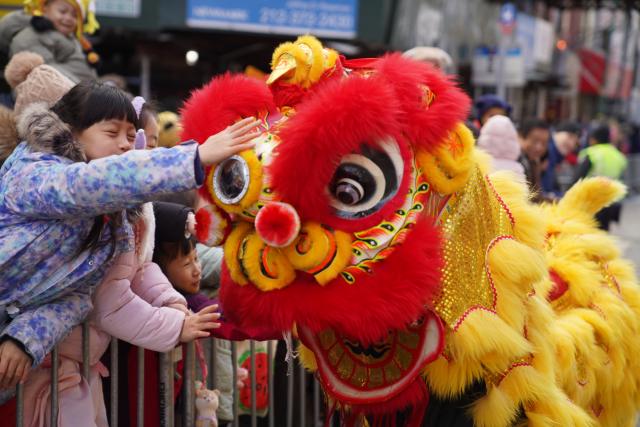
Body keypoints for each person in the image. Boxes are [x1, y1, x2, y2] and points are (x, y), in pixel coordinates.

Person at [0, 80, 260, 398]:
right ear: (70, 130)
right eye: (112, 133)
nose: (125, 145)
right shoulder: (34, 171)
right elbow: (83, 186)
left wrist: (24, 339)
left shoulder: (117, 219)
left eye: (129, 135)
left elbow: (78, 296)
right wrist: (192, 158)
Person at [0, 0, 99, 83]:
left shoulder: (71, 38)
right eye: (63, 11)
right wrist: (84, 90)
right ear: (45, 9)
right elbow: (44, 74)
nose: (68, 18)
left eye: (75, 16)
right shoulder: (33, 35)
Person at [573, 123, 628, 230]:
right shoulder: (619, 155)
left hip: (590, 202)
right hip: (610, 201)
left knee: (587, 233)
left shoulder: (591, 153)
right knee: (603, 232)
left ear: (593, 139)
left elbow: (578, 178)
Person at [541, 122, 581, 198]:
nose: (571, 144)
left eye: (576, 143)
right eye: (569, 136)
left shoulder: (555, 155)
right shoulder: (546, 150)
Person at [517, 119, 550, 201]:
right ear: (520, 137)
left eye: (544, 143)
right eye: (534, 141)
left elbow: (536, 196)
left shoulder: (535, 161)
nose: (539, 147)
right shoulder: (516, 161)